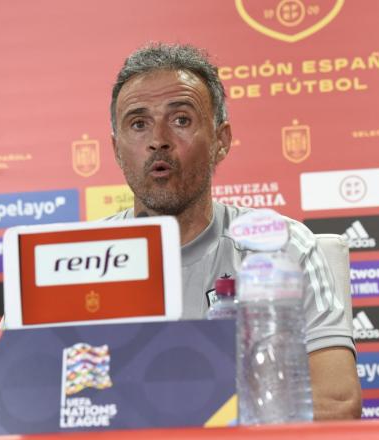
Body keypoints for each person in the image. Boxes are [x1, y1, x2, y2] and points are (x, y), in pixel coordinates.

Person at [107, 42, 361, 420]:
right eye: (138, 123)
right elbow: (15, 398)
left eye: (181, 120)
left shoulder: (282, 247)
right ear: (116, 149)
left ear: (221, 141)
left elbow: (337, 402)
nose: (157, 139)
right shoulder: (67, 260)